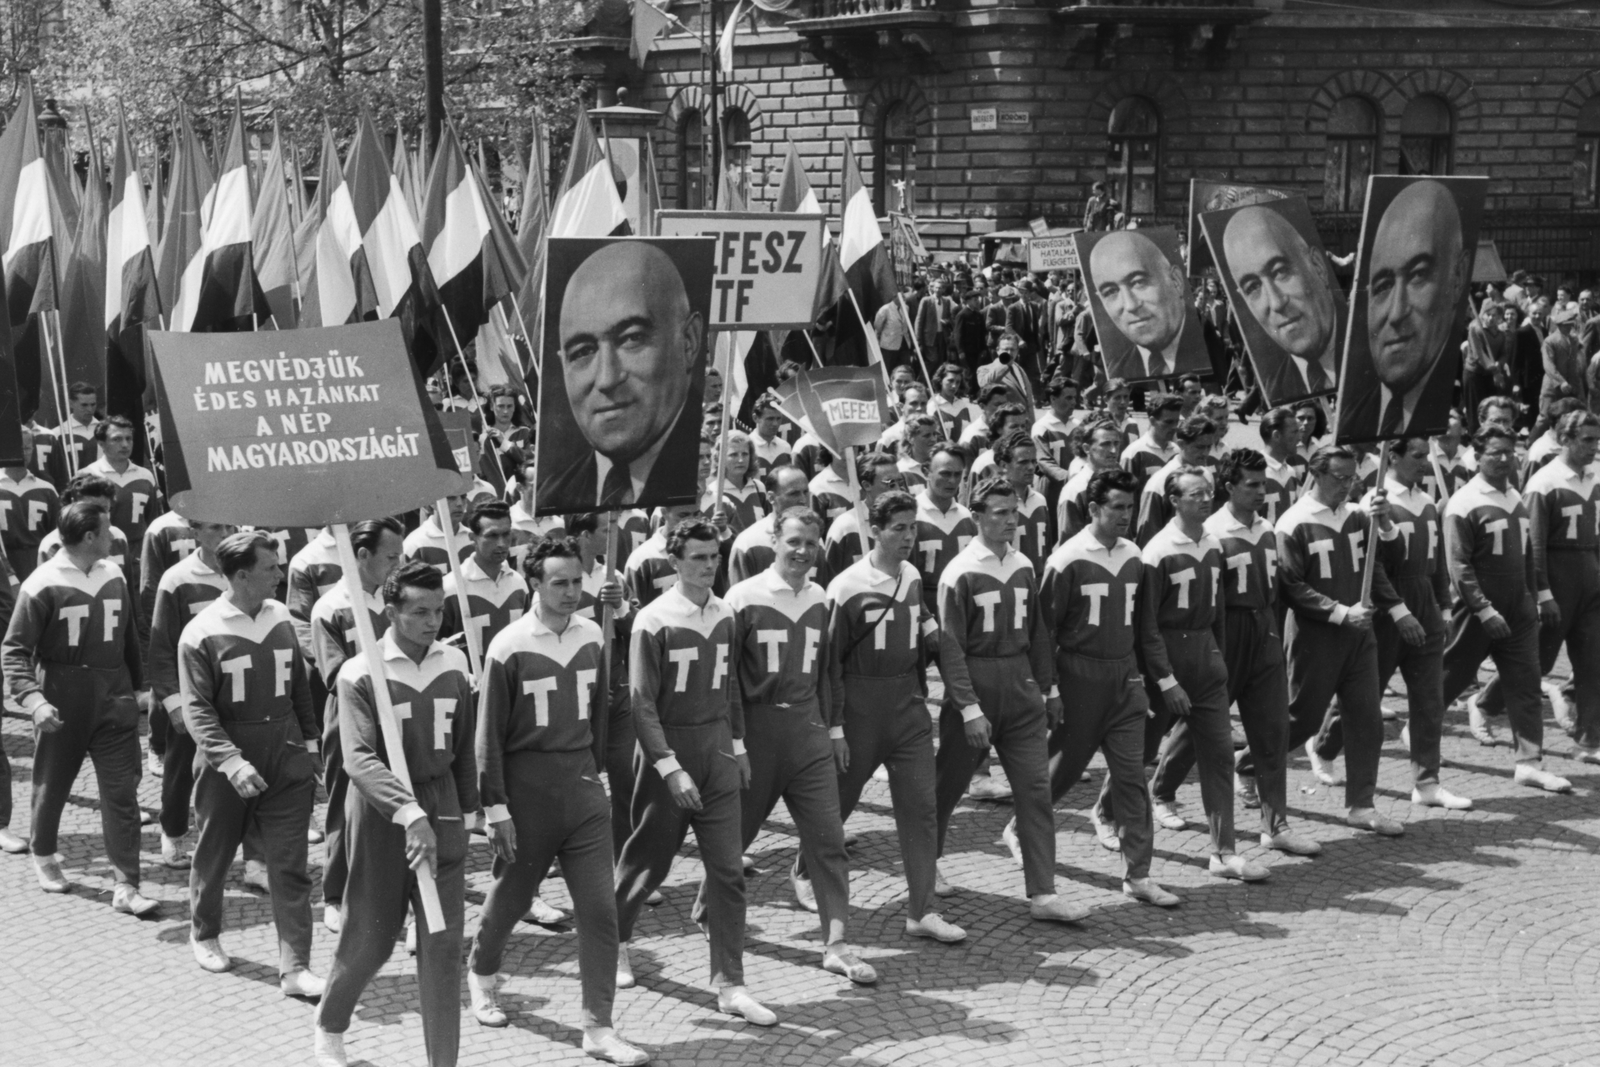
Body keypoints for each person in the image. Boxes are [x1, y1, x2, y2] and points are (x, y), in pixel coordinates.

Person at [466, 539, 647, 1064]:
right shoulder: (508, 645)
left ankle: (599, 1028)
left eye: (576, 581)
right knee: (514, 896)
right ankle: (481, 971)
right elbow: (488, 737)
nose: (571, 592)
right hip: (527, 790)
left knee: (598, 909)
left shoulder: (595, 634)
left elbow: (600, 710)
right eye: (559, 583)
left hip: (582, 787)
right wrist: (495, 808)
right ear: (534, 585)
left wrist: (597, 771)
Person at [314, 562, 480, 1067]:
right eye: (419, 612)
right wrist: (408, 813)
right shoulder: (360, 672)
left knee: (443, 944)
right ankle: (330, 1024)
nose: (432, 621)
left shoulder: (454, 664)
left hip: (442, 805)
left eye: (438, 610)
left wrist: (471, 811)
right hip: (384, 813)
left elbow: (465, 747)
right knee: (373, 936)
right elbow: (358, 759)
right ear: (390, 612)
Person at [613, 519, 775, 1026]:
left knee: (728, 871)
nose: (708, 565)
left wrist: (740, 745)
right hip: (669, 754)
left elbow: (730, 690)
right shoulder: (653, 621)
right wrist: (669, 767)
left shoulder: (726, 613)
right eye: (698, 557)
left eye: (714, 556)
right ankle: (614, 939)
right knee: (648, 863)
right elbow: (641, 704)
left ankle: (731, 984)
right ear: (674, 561)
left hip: (718, 752)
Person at [711, 507, 875, 983]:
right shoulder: (741, 598)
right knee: (734, 840)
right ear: (775, 540)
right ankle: (708, 909)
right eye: (794, 541)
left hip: (808, 732)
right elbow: (726, 681)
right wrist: (735, 741)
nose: (803, 552)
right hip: (756, 733)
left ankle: (837, 943)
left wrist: (835, 729)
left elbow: (829, 671)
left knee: (827, 838)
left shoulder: (821, 596)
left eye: (811, 543)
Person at [1147, 450, 1320, 854]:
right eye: (1252, 485)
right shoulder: (1211, 533)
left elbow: (1277, 587)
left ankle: (1275, 824)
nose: (1262, 492)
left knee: (1273, 729)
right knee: (1202, 724)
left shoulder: (1267, 528)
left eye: (1264, 484)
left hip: (1265, 632)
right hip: (1224, 632)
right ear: (1229, 488)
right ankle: (1162, 791)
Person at [814, 490, 966, 940]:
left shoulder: (912, 576)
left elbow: (921, 625)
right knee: (838, 803)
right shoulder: (845, 586)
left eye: (912, 527)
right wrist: (836, 727)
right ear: (874, 531)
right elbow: (832, 664)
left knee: (921, 807)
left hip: (907, 706)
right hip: (860, 707)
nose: (908, 536)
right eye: (898, 528)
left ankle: (920, 910)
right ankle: (806, 871)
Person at [931, 478, 1085, 923]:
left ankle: (1043, 892)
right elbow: (950, 647)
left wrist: (1049, 687)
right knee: (948, 787)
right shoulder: (959, 572)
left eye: (1013, 512)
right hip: (976, 684)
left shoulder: (1023, 565)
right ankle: (926, 864)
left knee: (1035, 791)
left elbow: (1038, 631)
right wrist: (968, 707)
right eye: (998, 513)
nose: (1009, 521)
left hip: (1019, 684)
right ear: (976, 517)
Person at [180, 531, 322, 990]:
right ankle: (205, 932)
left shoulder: (280, 615)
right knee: (216, 853)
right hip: (228, 759)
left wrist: (312, 741)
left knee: (289, 863)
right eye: (271, 568)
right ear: (242, 576)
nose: (281, 574)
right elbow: (198, 709)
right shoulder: (200, 631)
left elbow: (299, 684)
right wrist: (232, 762)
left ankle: (296, 967)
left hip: (285, 750)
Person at [1037, 469, 1180, 907]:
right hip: (1079, 676)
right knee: (1062, 771)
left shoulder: (1135, 555)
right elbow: (1045, 630)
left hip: (1125, 679)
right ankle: (1023, 825)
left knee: (1131, 777)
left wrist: (1160, 676)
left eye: (1130, 507)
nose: (1125, 515)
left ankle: (1138, 874)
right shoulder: (1066, 559)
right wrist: (1051, 689)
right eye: (1116, 507)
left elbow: (1145, 626)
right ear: (1094, 509)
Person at [1, 500, 153, 911]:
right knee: (53, 783)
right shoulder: (42, 583)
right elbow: (14, 650)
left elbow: (129, 640)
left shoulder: (115, 573)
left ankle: (126, 885)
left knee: (122, 792)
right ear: (89, 536)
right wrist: (33, 701)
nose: (113, 535)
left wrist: (141, 688)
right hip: (61, 695)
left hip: (113, 694)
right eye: (107, 530)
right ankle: (44, 853)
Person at [1119, 467, 1268, 880]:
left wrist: (1217, 657)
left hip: (1206, 659)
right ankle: (1105, 809)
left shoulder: (1214, 544)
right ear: (1174, 500)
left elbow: (1218, 608)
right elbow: (1146, 624)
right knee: (1141, 752)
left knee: (1219, 756)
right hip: (1165, 662)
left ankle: (1224, 852)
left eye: (1208, 493)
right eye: (1195, 494)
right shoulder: (1157, 551)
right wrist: (1165, 679)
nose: (1205, 500)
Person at [1308, 435, 1469, 808]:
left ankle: (1427, 783)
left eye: (1425, 455)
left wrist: (1443, 608)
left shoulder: (1428, 503)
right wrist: (1397, 609)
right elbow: (1373, 567)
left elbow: (1436, 561)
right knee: (1367, 694)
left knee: (1429, 699)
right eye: (1416, 456)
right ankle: (1325, 745)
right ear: (1391, 457)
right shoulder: (1373, 504)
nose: (1425, 463)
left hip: (1425, 608)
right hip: (1386, 612)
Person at [1271, 446, 1409, 836]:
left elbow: (1392, 560)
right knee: (1303, 719)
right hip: (1317, 635)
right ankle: (1248, 764)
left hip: (1359, 635)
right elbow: (1291, 586)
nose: (1348, 486)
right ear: (1317, 474)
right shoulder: (1293, 523)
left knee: (1366, 719)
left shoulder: (1357, 517)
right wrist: (1338, 612)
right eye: (1340, 478)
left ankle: (1362, 805)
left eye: (1353, 478)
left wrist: (1384, 525)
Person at [1442, 426, 1574, 793]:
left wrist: (1532, 598)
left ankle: (1529, 763)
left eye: (1510, 452)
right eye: (1495, 453)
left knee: (1526, 684)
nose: (1504, 459)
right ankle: (1417, 730)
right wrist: (1483, 609)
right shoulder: (1463, 501)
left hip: (1518, 608)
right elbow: (1459, 565)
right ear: (1477, 456)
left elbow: (1528, 555)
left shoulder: (1515, 497)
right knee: (1448, 679)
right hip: (1477, 611)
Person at [1474, 410, 1600, 763]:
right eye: (1587, 440)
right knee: (1537, 660)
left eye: (1597, 439)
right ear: (1565, 440)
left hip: (1590, 574)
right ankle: (1484, 704)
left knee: (1593, 661)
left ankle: (1589, 741)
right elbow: (1535, 545)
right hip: (1557, 578)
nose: (1594, 447)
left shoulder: (1597, 476)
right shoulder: (1544, 482)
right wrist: (1542, 592)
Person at [542, 242, 706, 510]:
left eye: (632, 339)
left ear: (688, 341)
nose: (606, 379)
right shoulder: (553, 495)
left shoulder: (705, 479)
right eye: (583, 351)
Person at [309, 518, 405, 934]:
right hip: (350, 716)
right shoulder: (330, 607)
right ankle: (335, 894)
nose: (398, 564)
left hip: (401, 711)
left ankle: (397, 891)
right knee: (344, 807)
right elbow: (333, 675)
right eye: (391, 557)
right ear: (362, 555)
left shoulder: (397, 599)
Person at [1339, 180, 1471, 439]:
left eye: (1418, 275)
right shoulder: (1353, 418)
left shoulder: (1440, 425)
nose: (1397, 312)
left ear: (1457, 277)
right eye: (1383, 285)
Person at [146, 518, 236, 869]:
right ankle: (173, 833)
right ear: (195, 532)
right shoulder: (177, 579)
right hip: (191, 693)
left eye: (231, 527)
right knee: (181, 766)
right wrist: (173, 701)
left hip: (235, 689)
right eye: (216, 528)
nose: (226, 535)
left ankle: (254, 852)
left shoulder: (243, 572)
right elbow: (161, 646)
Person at [1220, 204, 1340, 400]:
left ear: (1318, 266)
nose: (1276, 302)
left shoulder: (1381, 357)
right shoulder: (1276, 389)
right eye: (1252, 287)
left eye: (1280, 272)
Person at [1088, 230, 1196, 381]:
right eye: (1111, 291)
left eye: (1138, 282)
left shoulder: (1206, 343)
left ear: (1176, 281)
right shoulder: (1117, 370)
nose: (1130, 305)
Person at [80, 416, 162, 598]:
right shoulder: (88, 475)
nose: (125, 445)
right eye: (116, 439)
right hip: (105, 551)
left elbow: (152, 518)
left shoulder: (145, 475)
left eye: (129, 438)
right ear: (101, 443)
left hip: (138, 554)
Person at [441, 500, 529, 658]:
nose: (501, 543)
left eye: (506, 534)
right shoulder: (451, 588)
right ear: (472, 537)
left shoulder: (518, 584)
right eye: (492, 536)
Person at [1134, 415, 1218, 546]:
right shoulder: (1158, 483)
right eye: (1200, 447)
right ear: (1181, 444)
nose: (1206, 453)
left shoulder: (1206, 475)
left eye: (1209, 447)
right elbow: (1147, 536)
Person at [729, 466, 811, 584]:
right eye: (794, 494)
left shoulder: (814, 537)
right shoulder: (748, 543)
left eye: (805, 492)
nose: (803, 500)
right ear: (772, 498)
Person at [0, 426, 58, 580]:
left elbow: (57, 534)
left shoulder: (46, 489)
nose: (22, 453)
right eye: (17, 448)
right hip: (4, 562)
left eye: (27, 448)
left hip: (39, 562)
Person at [995, 430, 1053, 572]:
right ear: (1004, 466)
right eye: (1023, 462)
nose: (1031, 467)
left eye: (1033, 461)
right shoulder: (995, 503)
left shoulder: (1040, 501)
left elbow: (1047, 549)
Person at [1056, 422, 1124, 543]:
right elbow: (1069, 544)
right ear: (1086, 448)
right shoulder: (1075, 490)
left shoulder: (1121, 483)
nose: (1113, 450)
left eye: (1116, 443)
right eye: (1106, 444)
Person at [1121, 394, 1182, 494]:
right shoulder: (1133, 453)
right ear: (1152, 421)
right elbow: (1125, 494)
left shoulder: (1177, 451)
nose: (1174, 427)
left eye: (1176, 421)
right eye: (1168, 422)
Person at [1258, 407, 1307, 525]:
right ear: (1276, 436)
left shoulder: (1290, 471)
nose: (1299, 437)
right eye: (1294, 432)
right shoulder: (1255, 471)